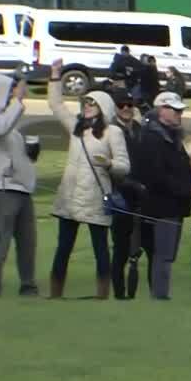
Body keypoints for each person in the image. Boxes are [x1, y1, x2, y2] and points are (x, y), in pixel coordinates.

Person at [48, 79, 131, 300]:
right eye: (85, 102)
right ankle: (55, 294)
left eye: (91, 103)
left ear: (103, 107)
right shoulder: (76, 127)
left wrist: (108, 164)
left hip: (96, 197)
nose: (86, 106)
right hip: (70, 197)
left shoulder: (113, 132)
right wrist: (55, 78)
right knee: (63, 248)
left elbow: (124, 166)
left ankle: (102, 295)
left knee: (101, 249)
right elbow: (56, 105)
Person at [133, 92, 191, 300]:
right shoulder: (152, 138)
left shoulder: (171, 136)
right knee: (163, 255)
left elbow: (183, 168)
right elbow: (157, 176)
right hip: (160, 206)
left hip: (174, 205)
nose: (179, 114)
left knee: (167, 254)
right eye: (175, 110)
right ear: (162, 110)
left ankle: (160, 294)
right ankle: (160, 297)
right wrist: (189, 191)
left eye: (180, 111)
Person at [0, 69, 40, 297]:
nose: (11, 98)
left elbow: (9, 144)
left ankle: (28, 285)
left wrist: (30, 153)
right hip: (0, 187)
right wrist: (18, 101)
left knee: (27, 241)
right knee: (1, 240)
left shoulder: (6, 120)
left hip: (20, 186)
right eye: (9, 92)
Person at [109, 91, 145, 298]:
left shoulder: (140, 130)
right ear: (115, 108)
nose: (126, 108)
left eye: (129, 104)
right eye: (122, 105)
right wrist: (133, 185)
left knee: (137, 249)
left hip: (141, 196)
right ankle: (119, 292)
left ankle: (133, 293)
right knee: (121, 248)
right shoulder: (111, 131)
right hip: (120, 196)